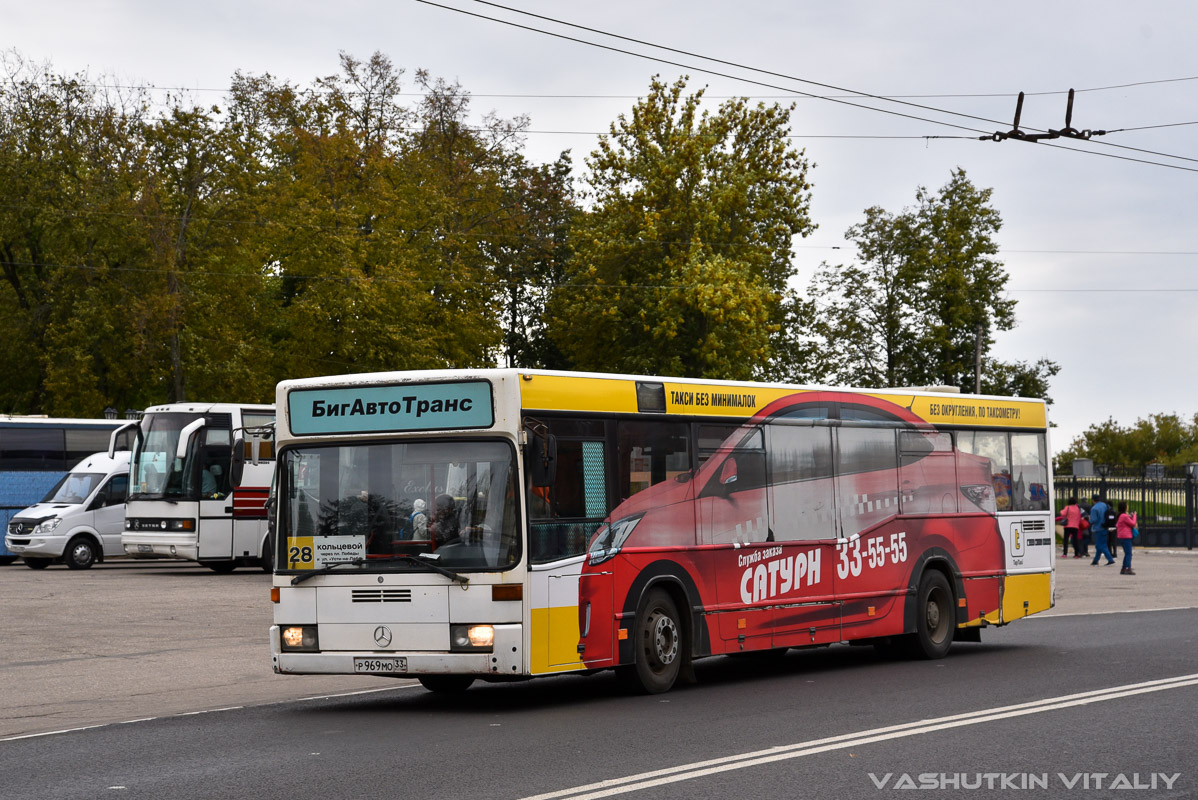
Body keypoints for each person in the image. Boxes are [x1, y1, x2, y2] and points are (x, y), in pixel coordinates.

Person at [1089, 494, 1116, 566]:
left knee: (1100, 545)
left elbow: (1093, 520)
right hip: (1106, 526)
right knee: (1101, 544)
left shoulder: (1094, 508)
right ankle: (1095, 560)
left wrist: (1089, 519)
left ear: (1093, 500)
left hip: (1098, 528)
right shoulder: (1105, 505)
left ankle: (1110, 559)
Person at [1115, 501, 1138, 575]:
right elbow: (1133, 523)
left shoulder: (1121, 515)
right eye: (1127, 506)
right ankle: (1127, 568)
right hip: (1126, 536)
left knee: (1127, 553)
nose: (1128, 507)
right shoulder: (1124, 516)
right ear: (1125, 507)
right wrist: (1134, 516)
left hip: (1122, 536)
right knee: (1128, 553)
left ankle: (1124, 568)